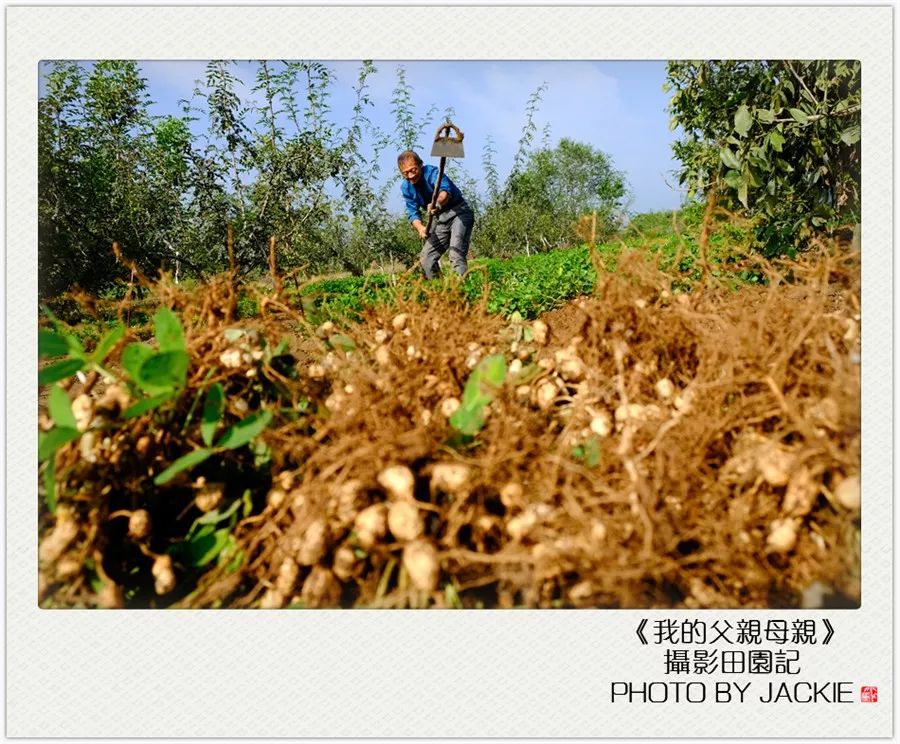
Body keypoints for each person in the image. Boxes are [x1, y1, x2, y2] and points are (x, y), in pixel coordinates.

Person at [398, 150, 475, 279]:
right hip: (441, 220)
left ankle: (463, 291)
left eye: (413, 170)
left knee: (455, 254)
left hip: (459, 213)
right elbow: (412, 212)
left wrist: (437, 203)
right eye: (405, 173)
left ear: (421, 165)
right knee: (426, 258)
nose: (410, 176)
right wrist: (420, 228)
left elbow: (445, 191)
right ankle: (440, 292)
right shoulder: (406, 188)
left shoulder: (433, 173)